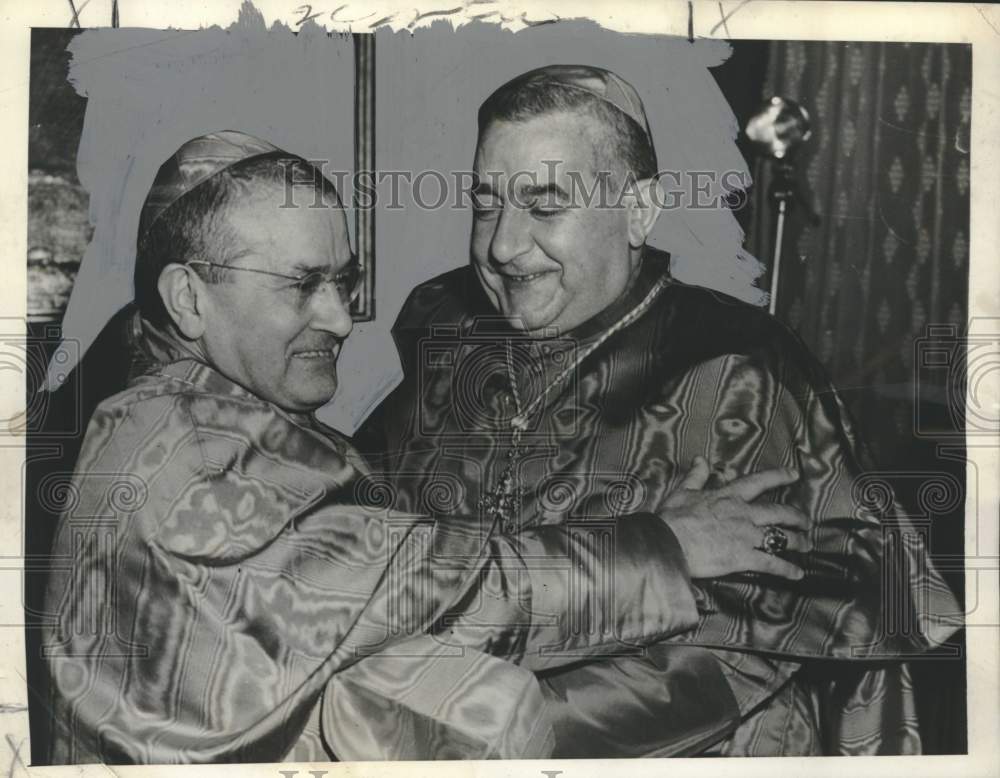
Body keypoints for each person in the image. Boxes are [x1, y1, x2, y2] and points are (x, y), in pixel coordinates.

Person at [41, 130, 809, 764]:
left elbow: (381, 539)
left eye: (345, 281)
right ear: (187, 298)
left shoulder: (159, 396)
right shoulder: (190, 448)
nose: (342, 320)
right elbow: (441, 586)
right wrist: (665, 546)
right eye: (302, 285)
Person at [357, 65, 963, 756]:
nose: (502, 245)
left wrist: (460, 726)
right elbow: (361, 545)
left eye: (546, 206)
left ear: (639, 210)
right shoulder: (453, 337)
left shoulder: (737, 375)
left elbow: (728, 662)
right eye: (487, 203)